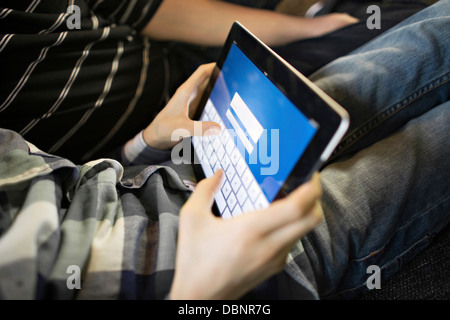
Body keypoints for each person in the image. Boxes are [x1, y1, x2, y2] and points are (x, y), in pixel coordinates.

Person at [0, 0, 449, 299]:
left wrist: (145, 146)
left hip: (191, 164)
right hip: (241, 259)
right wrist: (200, 295)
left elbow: (71, 184)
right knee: (433, 145)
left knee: (431, 37)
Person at [0, 0, 357, 164]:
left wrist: (308, 30)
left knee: (352, 28)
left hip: (179, 60)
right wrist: (143, 146)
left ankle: (314, 16)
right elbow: (71, 189)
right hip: (156, 151)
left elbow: (148, 10)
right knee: (383, 37)